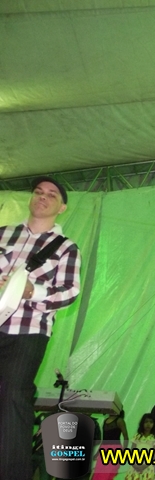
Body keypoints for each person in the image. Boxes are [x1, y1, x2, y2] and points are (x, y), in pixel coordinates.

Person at [0, 176, 81, 480]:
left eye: (51, 194)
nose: (43, 197)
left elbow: (70, 292)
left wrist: (32, 291)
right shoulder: (3, 233)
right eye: (38, 192)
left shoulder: (66, 248)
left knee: (14, 396)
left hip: (29, 330)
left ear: (62, 207)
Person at [92, 410, 129, 480]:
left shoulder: (119, 421)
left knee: (108, 473)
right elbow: (104, 439)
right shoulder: (105, 420)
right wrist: (97, 453)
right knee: (98, 472)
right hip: (104, 449)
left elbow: (126, 437)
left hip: (115, 449)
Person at [124, 413, 155, 480]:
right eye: (146, 422)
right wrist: (134, 465)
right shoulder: (137, 436)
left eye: (151, 422)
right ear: (142, 423)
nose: (148, 424)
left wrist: (144, 466)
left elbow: (154, 455)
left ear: (154, 424)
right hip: (135, 466)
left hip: (148, 467)